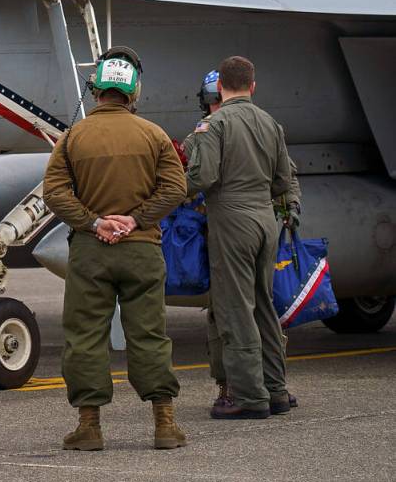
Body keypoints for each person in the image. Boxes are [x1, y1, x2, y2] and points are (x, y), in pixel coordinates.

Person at [42, 47, 188, 452]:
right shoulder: (154, 135)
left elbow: (53, 191)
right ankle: (165, 425)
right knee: (150, 335)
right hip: (142, 251)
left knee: (85, 336)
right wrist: (136, 219)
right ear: (133, 91)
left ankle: (89, 428)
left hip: (91, 253)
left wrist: (94, 221)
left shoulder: (73, 137)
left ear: (96, 90)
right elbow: (176, 187)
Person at [184, 69, 301, 415]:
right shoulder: (270, 122)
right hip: (266, 221)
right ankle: (276, 390)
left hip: (232, 221)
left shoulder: (213, 126)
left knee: (235, 308)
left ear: (218, 89)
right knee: (264, 304)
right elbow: (284, 180)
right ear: (252, 85)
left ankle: (249, 397)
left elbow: (202, 177)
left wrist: (166, 195)